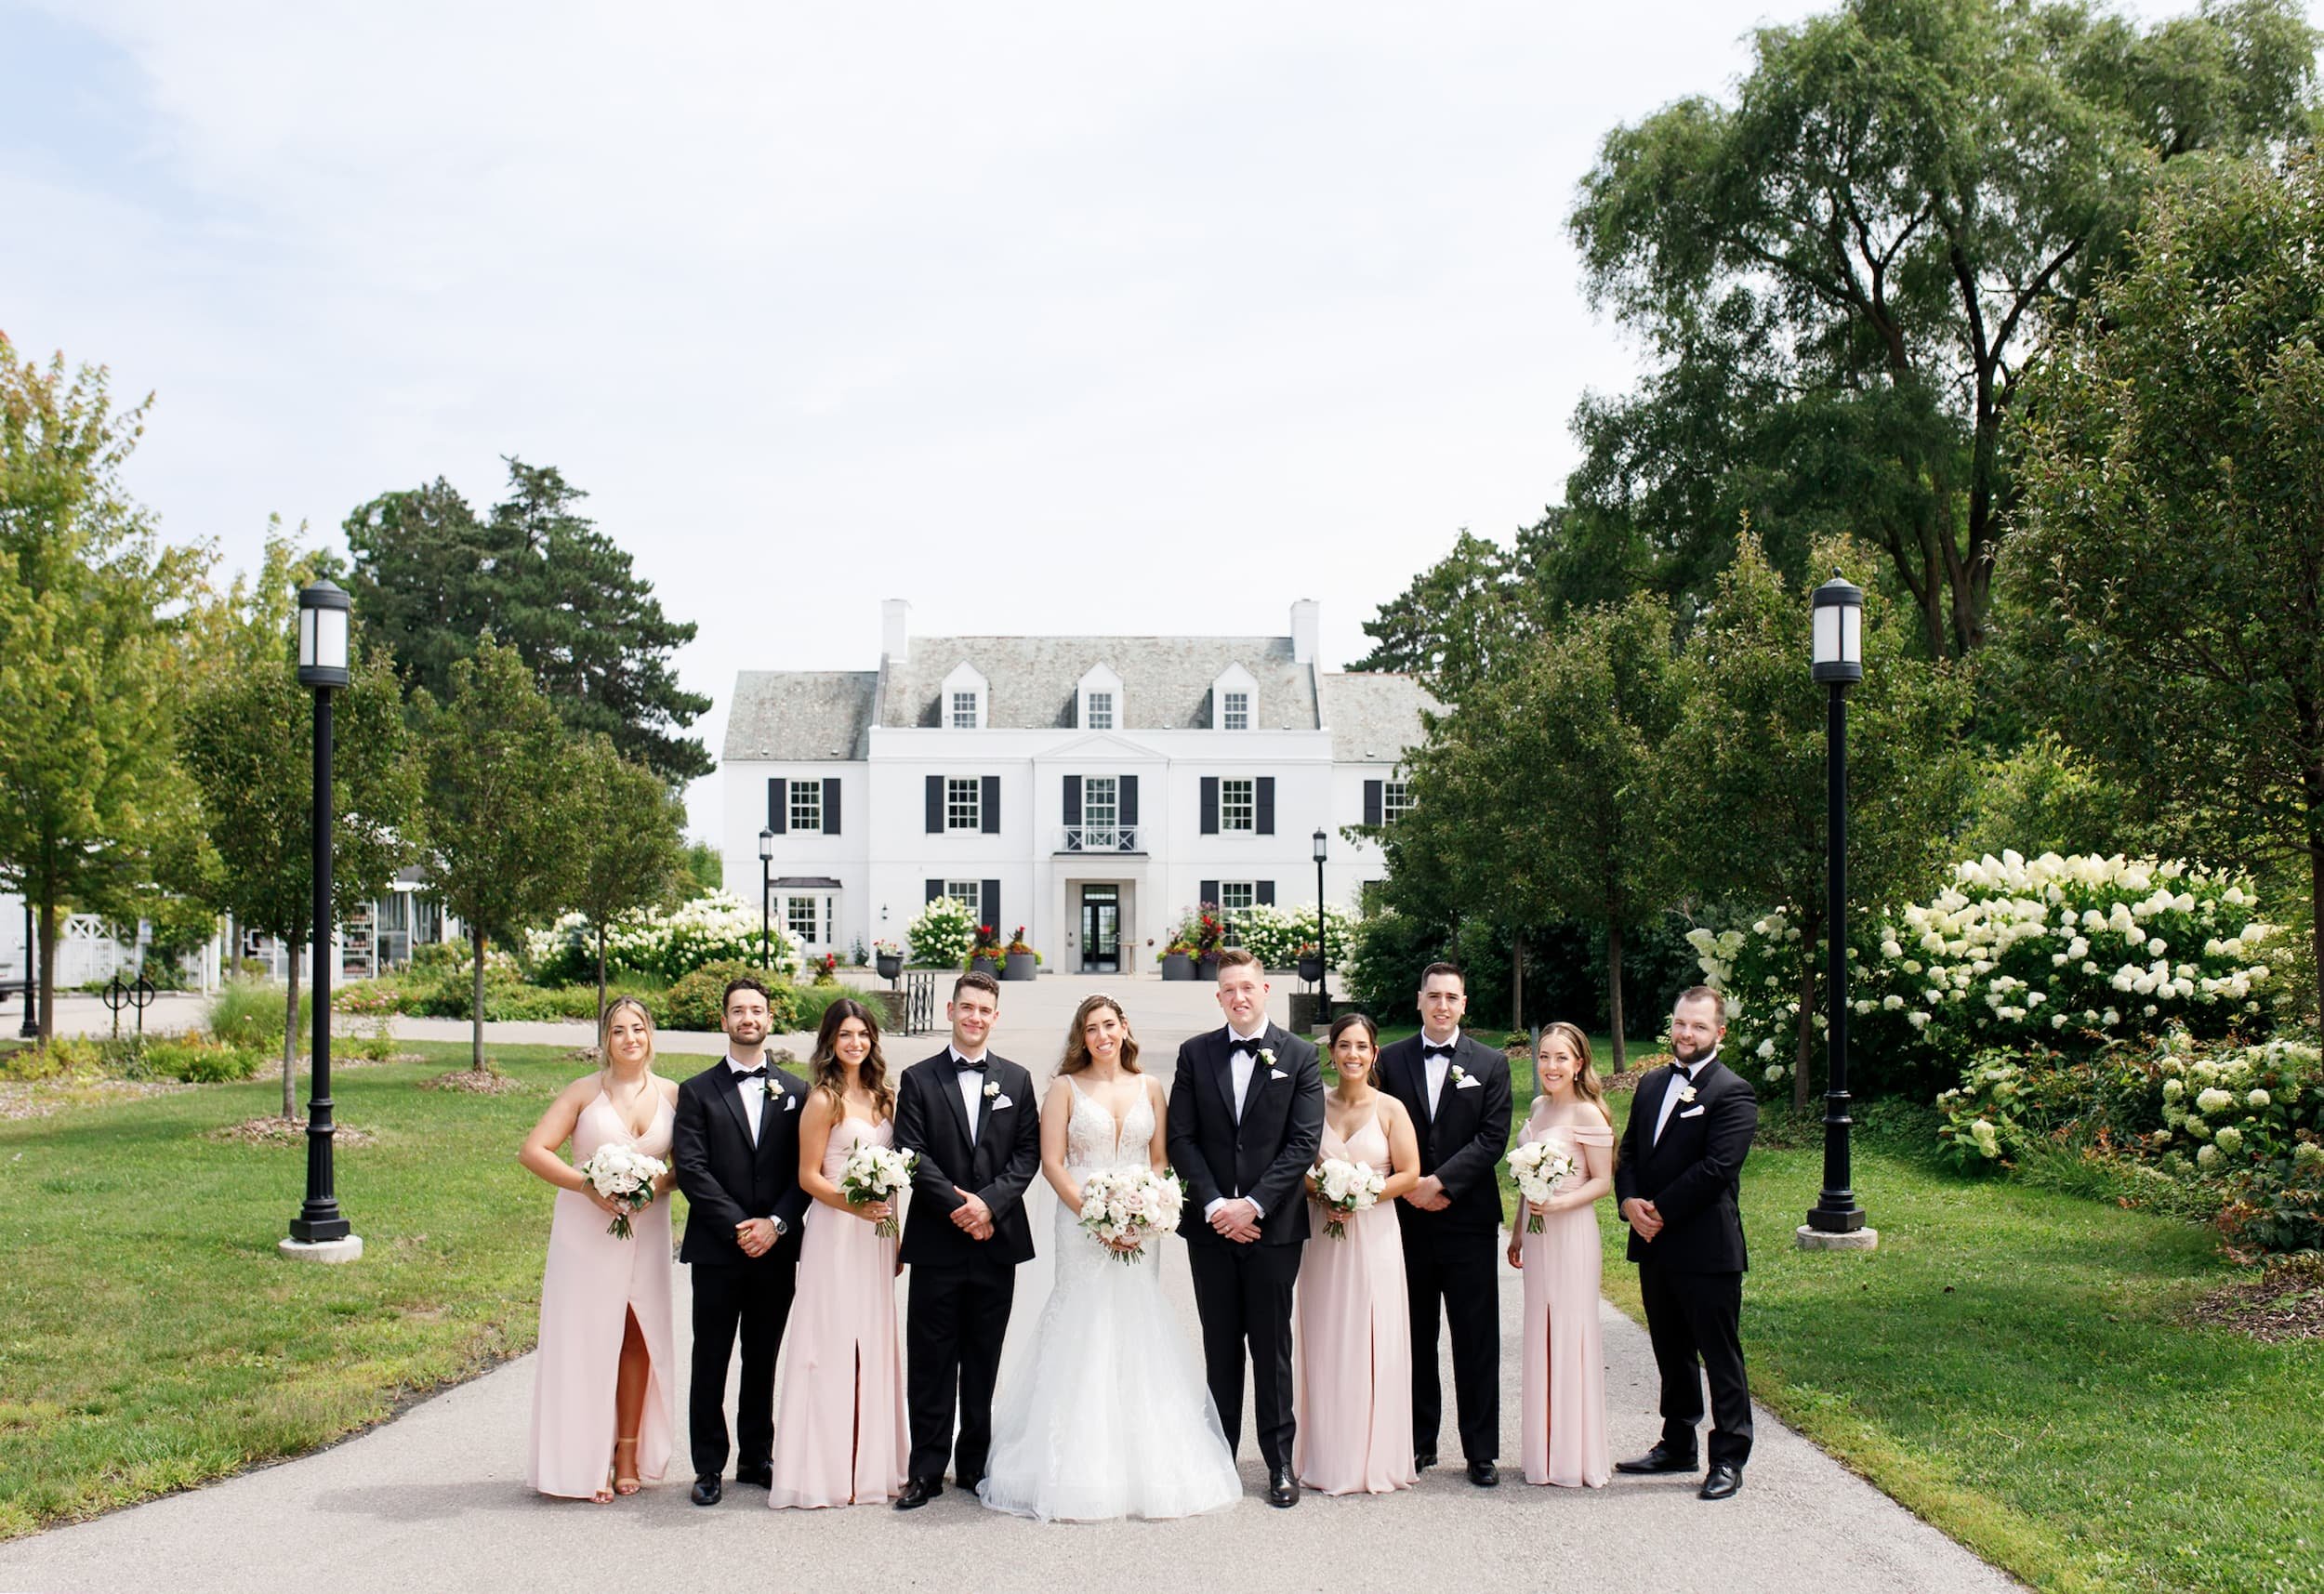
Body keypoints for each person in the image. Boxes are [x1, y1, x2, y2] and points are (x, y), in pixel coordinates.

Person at [979, 994, 1241, 1522]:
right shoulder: (1064, 1088)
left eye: (1109, 1025)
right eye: (1092, 1029)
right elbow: (1053, 1165)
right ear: (1082, 1036)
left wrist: (1149, 1214)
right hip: (1083, 1226)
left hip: (1141, 1230)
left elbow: (1161, 1160)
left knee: (1137, 1326)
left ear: (1124, 1028)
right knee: (1087, 1325)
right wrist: (1098, 1218)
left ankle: (1145, 1458)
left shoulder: (1151, 1088)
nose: (1102, 1036)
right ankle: (1077, 1463)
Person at [1167, 947, 1326, 1508]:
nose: (1239, 996)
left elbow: (1303, 1143)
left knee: (1272, 1345)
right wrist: (1215, 1206)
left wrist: (1252, 1205)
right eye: (1228, 988)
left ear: (1265, 991)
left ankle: (1280, 1463)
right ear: (1218, 997)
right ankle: (1219, 1457)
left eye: (1247, 987)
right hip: (1210, 1229)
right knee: (1220, 1344)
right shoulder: (1194, 1054)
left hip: (1273, 1229)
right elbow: (1181, 1137)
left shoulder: (1301, 1056)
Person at [519, 996, 680, 1501]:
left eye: (638, 1028)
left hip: (646, 1231)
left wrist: (657, 1184)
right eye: (618, 1031)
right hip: (585, 1234)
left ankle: (627, 1452)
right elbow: (534, 1151)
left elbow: (687, 1167)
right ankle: (581, 1461)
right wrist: (588, 1186)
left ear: (651, 1034)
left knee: (638, 1337)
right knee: (588, 1341)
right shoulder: (583, 1092)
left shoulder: (673, 1094)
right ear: (604, 1040)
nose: (630, 1038)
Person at [891, 971, 1042, 1509]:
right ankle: (926, 1469)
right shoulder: (918, 1078)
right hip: (937, 1240)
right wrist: (960, 1207)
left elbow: (1028, 1155)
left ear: (995, 1017)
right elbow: (910, 1152)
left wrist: (989, 1205)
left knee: (983, 1357)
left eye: (985, 1010)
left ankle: (974, 1464)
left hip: (995, 1241)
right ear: (950, 1010)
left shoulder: (1019, 1081)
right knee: (930, 1359)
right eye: (967, 1007)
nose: (975, 1017)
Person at [1614, 986, 1758, 1501]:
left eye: (1698, 1027)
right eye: (1680, 1024)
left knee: (1719, 1355)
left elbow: (1718, 1169)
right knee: (1670, 1350)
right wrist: (1629, 1202)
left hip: (1705, 1248)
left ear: (1719, 1033)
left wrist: (1660, 1212)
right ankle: (1678, 1442)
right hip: (1653, 1244)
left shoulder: (1733, 1092)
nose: (1686, 1034)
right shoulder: (1651, 1083)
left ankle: (1729, 1456)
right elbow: (1629, 1151)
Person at [670, 977, 810, 1507]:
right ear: (723, 1021)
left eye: (756, 1010)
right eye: (738, 1010)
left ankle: (756, 1457)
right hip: (717, 1250)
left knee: (762, 1356)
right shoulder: (698, 1091)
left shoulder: (797, 1092)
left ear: (770, 1019)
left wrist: (774, 1224)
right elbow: (693, 1169)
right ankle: (708, 1465)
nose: (747, 1018)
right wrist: (739, 1226)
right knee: (711, 1357)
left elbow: (806, 1172)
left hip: (776, 1248)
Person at [1373, 962, 1513, 1485]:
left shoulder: (1492, 1064)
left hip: (1469, 1220)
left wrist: (1442, 1183)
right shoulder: (1390, 1059)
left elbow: (1492, 1139)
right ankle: (1417, 1442)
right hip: (1405, 1221)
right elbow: (1377, 1125)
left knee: (1476, 1337)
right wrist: (1412, 1188)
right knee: (1413, 1334)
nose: (1442, 1005)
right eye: (1433, 996)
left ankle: (1481, 1451)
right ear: (1419, 1000)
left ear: (1464, 1003)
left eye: (1452, 997)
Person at [766, 999, 909, 1508]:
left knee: (872, 1342)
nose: (855, 1043)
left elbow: (895, 1180)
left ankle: (867, 1463)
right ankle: (823, 1467)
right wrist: (853, 1203)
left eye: (863, 1034)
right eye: (845, 1035)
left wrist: (894, 1234)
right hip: (833, 1231)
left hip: (875, 1235)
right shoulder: (823, 1100)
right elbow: (808, 1177)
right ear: (830, 1042)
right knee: (829, 1342)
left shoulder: (884, 1097)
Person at [1293, 1012, 1419, 1496]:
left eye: (1361, 1047)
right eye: (1344, 1046)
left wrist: (1360, 1196)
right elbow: (1298, 1165)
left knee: (1372, 1337)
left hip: (1374, 1237)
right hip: (1323, 1237)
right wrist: (1324, 1194)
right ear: (1331, 1053)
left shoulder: (1390, 1109)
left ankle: (1374, 1456)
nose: (1352, 1055)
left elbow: (1409, 1172)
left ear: (1374, 1053)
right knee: (1327, 1337)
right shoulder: (1312, 1105)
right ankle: (1325, 1454)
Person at [1506, 1021, 1615, 1488]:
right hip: (1536, 1235)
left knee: (1570, 1333)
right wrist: (1515, 1234)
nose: (1550, 1066)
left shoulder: (1589, 1115)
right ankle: (1543, 1452)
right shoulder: (1536, 1107)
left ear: (1579, 1063)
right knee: (1541, 1333)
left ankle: (1574, 1454)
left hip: (1571, 1232)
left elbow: (1601, 1182)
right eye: (1544, 1057)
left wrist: (1559, 1203)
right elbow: (1527, 1184)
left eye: (1561, 1058)